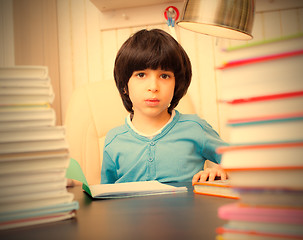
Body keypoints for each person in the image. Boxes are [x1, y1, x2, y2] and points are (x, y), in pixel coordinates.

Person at [101, 29, 228, 185]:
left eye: (164, 76)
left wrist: (223, 170)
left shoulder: (196, 128)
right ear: (124, 86)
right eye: (141, 75)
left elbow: (239, 162)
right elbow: (104, 196)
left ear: (177, 84)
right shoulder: (114, 140)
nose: (153, 87)